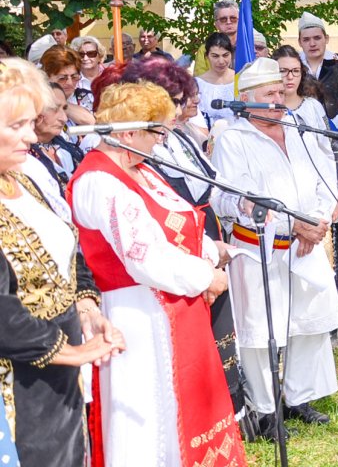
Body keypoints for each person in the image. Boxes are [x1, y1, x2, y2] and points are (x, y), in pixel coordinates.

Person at [68, 81, 246, 466]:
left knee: (179, 410)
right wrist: (206, 276)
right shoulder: (99, 181)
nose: (159, 143)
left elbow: (180, 219)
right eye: (156, 133)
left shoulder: (140, 170)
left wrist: (209, 256)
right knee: (149, 418)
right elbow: (145, 257)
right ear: (130, 132)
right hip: (137, 315)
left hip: (173, 305)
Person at [0, 59, 125, 467]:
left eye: (29, 122)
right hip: (17, 382)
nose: (28, 135)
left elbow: (68, 246)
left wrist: (87, 308)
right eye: (15, 126)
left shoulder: (23, 176)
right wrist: (74, 352)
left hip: (60, 369)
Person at [211, 58, 338, 432]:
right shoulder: (232, 138)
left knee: (309, 323)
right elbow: (225, 197)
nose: (279, 97)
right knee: (260, 332)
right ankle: (266, 409)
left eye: (281, 91)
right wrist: (292, 224)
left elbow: (325, 175)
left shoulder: (298, 126)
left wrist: (314, 222)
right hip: (259, 251)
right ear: (246, 100)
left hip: (307, 243)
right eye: (269, 93)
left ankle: (299, 396)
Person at [119, 57, 251, 427]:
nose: (180, 110)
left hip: (205, 229)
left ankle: (230, 411)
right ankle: (197, 419)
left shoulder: (179, 135)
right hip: (175, 239)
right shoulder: (143, 146)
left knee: (221, 327)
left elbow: (210, 181)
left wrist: (239, 203)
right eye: (174, 101)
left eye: (182, 100)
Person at [30, 83, 83, 193]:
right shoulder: (24, 157)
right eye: (54, 108)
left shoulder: (69, 150)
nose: (63, 118)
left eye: (64, 108)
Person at [297, 13, 338, 122]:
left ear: (326, 39)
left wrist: (331, 127)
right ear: (300, 42)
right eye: (306, 39)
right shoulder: (294, 67)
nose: (312, 44)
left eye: (317, 38)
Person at [273, 44, 332, 135]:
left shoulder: (313, 106)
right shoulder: (266, 109)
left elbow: (329, 142)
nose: (290, 77)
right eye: (283, 71)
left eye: (296, 71)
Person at [40, 45, 96, 127]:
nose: (70, 83)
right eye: (62, 78)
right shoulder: (39, 102)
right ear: (47, 77)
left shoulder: (85, 96)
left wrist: (62, 104)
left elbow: (92, 121)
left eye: (74, 77)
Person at [197, 32, 237, 128]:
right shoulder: (197, 84)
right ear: (207, 57)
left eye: (225, 55)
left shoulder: (240, 79)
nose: (221, 61)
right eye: (215, 56)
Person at [71, 35, 106, 112]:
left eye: (91, 54)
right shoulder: (71, 79)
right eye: (81, 54)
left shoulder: (109, 76)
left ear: (100, 56)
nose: (85, 58)